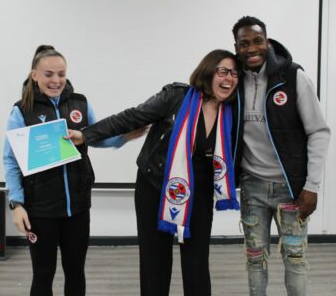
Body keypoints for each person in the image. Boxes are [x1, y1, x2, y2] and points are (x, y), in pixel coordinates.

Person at [66, 49, 241, 296]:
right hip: (155, 186)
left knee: (197, 264)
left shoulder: (233, 111)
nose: (229, 78)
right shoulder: (176, 97)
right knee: (154, 263)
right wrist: (86, 134)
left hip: (200, 194)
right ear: (208, 71)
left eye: (234, 73)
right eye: (223, 71)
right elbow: (132, 117)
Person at [4, 45, 142, 296]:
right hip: (40, 209)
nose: (56, 80)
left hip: (77, 206)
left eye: (61, 74)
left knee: (75, 271)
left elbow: (95, 137)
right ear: (35, 75)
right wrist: (17, 203)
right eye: (48, 74)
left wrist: (126, 136)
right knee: (43, 274)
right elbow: (11, 160)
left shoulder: (80, 103)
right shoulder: (22, 110)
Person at [232, 16, 331, 296]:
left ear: (267, 41)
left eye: (257, 40)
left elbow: (319, 132)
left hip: (292, 190)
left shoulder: (293, 76)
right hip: (252, 187)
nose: (251, 48)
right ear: (236, 47)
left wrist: (311, 187)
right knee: (254, 258)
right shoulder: (233, 80)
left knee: (295, 259)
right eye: (244, 43)